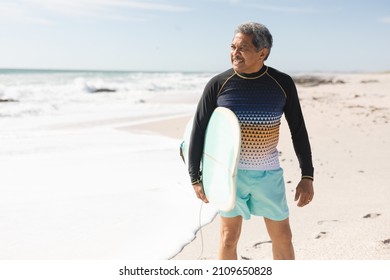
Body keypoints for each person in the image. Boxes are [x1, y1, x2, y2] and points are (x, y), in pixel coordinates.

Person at [187, 22, 314, 260]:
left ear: (262, 52)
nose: (235, 53)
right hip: (229, 176)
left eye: (242, 48)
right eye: (233, 46)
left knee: (283, 238)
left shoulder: (281, 83)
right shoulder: (218, 84)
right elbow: (199, 131)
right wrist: (195, 177)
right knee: (228, 238)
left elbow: (298, 130)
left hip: (268, 174)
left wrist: (307, 175)